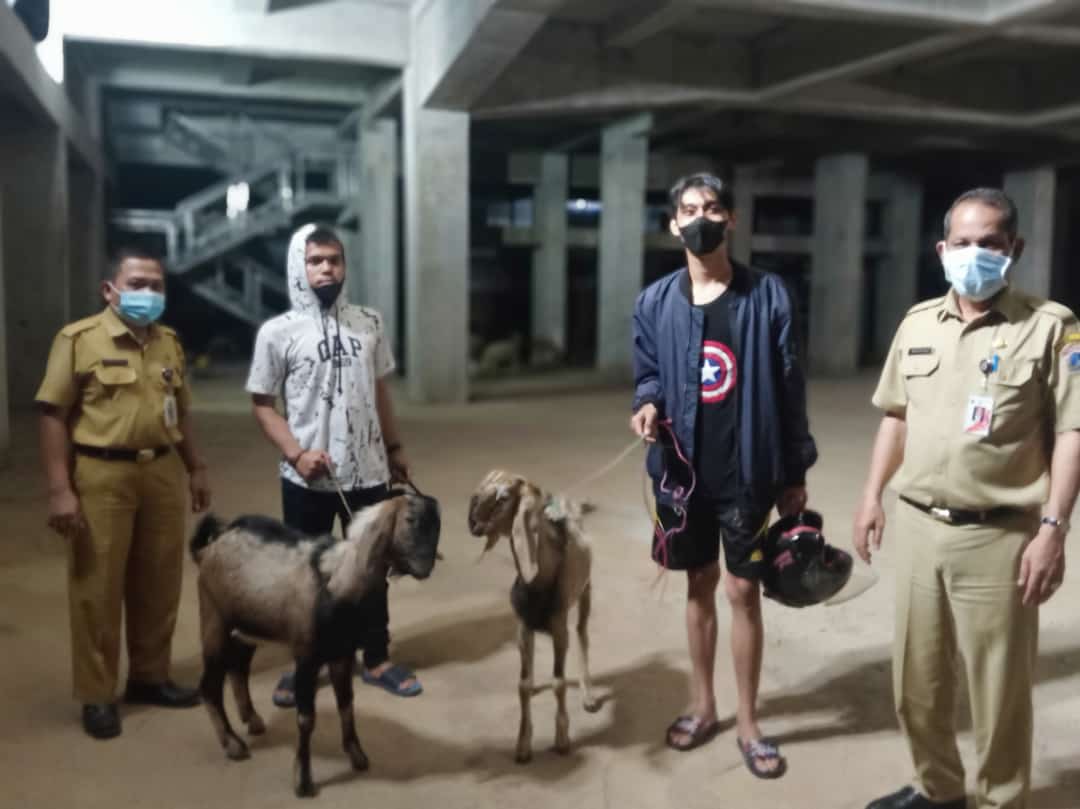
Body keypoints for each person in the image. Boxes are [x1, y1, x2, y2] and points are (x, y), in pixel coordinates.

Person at [853, 188, 1080, 809]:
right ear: (941, 249)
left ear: (1014, 249)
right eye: (962, 243)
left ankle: (1000, 800)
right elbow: (896, 416)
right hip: (919, 528)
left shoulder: (1052, 327)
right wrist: (871, 495)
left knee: (998, 691)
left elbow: (1072, 431)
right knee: (916, 682)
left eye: (989, 243)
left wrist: (1053, 529)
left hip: (999, 537)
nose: (974, 254)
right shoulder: (918, 323)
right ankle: (938, 789)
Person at [629, 173, 817, 777]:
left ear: (731, 219)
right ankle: (703, 705)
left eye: (712, 208)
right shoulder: (654, 302)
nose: (700, 219)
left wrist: (794, 470)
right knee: (699, 584)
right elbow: (648, 374)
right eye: (688, 210)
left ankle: (749, 722)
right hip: (682, 474)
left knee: (743, 590)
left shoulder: (768, 296)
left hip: (748, 469)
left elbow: (789, 386)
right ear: (673, 224)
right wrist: (647, 403)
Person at [35, 247, 211, 740]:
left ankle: (150, 677)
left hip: (161, 472)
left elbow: (180, 412)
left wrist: (196, 467)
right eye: (137, 284)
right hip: (102, 475)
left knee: (159, 582)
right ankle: (97, 693)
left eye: (156, 285)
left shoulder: (168, 342)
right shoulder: (78, 340)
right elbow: (52, 415)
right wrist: (59, 489)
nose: (148, 293)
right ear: (110, 290)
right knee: (98, 587)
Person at [246, 223, 421, 706]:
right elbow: (262, 404)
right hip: (308, 479)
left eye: (334, 260)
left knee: (372, 570)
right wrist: (297, 454)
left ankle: (376, 657)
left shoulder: (369, 322)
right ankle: (307, 661)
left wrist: (394, 448)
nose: (326, 269)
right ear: (298, 267)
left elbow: (380, 390)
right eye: (315, 261)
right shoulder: (278, 333)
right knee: (309, 574)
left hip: (370, 473)